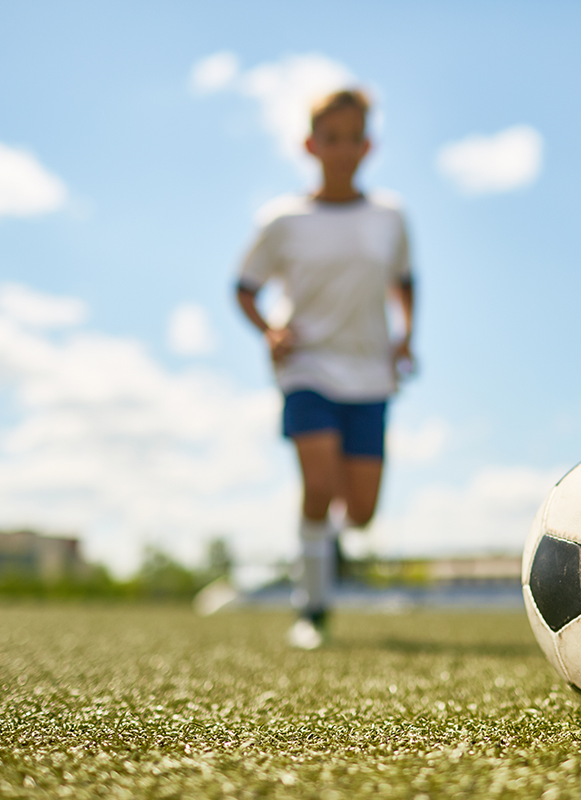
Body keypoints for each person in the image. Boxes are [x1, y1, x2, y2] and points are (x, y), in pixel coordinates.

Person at [235, 88, 415, 650]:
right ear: (310, 145)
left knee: (359, 511)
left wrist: (407, 335)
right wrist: (270, 331)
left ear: (369, 145)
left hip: (369, 374)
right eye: (329, 138)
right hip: (306, 367)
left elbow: (405, 281)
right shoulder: (283, 220)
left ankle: (326, 543)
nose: (340, 150)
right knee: (318, 484)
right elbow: (243, 288)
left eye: (352, 138)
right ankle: (311, 609)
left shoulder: (390, 216)